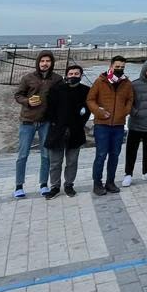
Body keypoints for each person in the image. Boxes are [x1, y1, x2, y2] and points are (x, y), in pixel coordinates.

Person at [12, 50, 62, 198]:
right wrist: (28, 101)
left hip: (46, 122)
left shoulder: (57, 79)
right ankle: (19, 186)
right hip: (27, 121)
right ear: (38, 63)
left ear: (52, 63)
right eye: (42, 61)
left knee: (46, 155)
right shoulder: (28, 78)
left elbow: (61, 98)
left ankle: (43, 184)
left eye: (48, 61)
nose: (45, 64)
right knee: (22, 155)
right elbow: (18, 95)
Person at [87, 55, 135, 196]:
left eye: (122, 67)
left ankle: (110, 182)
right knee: (101, 155)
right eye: (117, 67)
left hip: (119, 125)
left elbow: (130, 99)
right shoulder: (100, 81)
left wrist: (124, 112)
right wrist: (99, 112)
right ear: (111, 66)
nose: (119, 69)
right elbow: (90, 99)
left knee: (115, 154)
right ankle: (97, 183)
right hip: (102, 125)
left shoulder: (127, 83)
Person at [42, 64, 91, 199]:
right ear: (66, 75)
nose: (73, 76)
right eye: (71, 74)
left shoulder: (86, 90)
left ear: (81, 76)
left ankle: (69, 185)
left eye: (76, 74)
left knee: (72, 161)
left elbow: (87, 111)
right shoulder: (56, 89)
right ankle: (55, 187)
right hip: (57, 131)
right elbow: (49, 109)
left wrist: (79, 124)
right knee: (55, 162)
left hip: (76, 131)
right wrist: (55, 124)